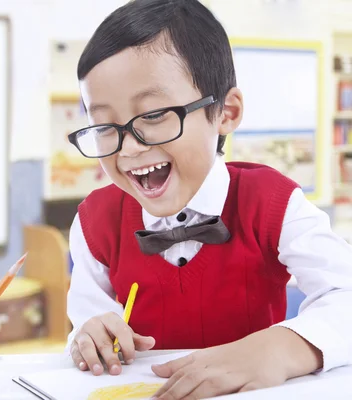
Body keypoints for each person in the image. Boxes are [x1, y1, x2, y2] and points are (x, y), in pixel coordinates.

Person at [65, 0, 352, 398]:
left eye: (152, 115)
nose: (128, 149)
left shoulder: (274, 203)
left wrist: (281, 348)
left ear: (226, 113)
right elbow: (87, 313)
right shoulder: (95, 220)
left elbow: (346, 295)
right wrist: (89, 332)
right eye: (103, 125)